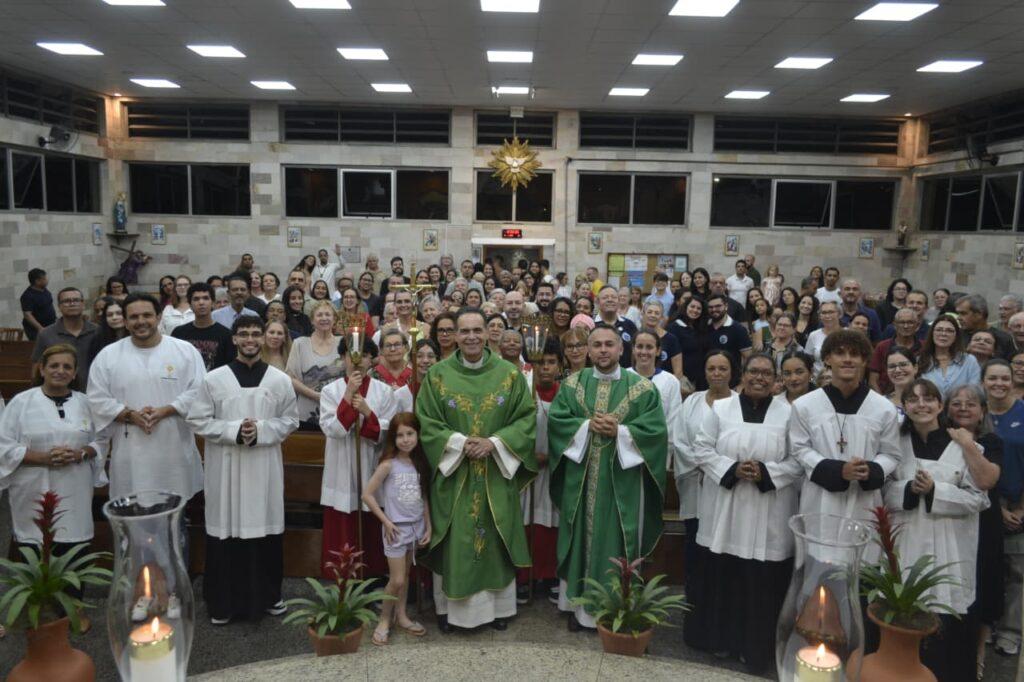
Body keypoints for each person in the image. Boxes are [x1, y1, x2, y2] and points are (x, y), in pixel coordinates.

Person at [415, 308, 536, 632]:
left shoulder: (509, 375)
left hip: (494, 472)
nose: (471, 337)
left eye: (477, 330)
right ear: (454, 335)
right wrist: (458, 442)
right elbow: (426, 421)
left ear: (488, 333)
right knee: (456, 539)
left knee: (493, 539)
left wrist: (494, 443)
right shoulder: (437, 375)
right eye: (464, 331)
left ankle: (498, 611)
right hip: (455, 475)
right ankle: (449, 613)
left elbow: (525, 418)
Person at [548, 325, 667, 630]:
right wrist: (587, 426)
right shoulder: (572, 385)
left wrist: (622, 431)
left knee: (617, 539)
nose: (603, 350)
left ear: (620, 349)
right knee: (580, 539)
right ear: (587, 350)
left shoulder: (641, 388)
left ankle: (616, 609)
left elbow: (655, 433)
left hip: (622, 483)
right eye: (597, 345)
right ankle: (577, 608)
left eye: (609, 344)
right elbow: (558, 423)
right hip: (582, 479)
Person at [689, 354, 800, 672]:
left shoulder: (789, 414)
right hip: (727, 510)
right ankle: (721, 642)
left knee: (760, 585)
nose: (759, 378)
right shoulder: (721, 408)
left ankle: (755, 650)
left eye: (767, 373)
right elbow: (701, 447)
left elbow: (798, 459)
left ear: (776, 379)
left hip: (768, 513)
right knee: (726, 578)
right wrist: (732, 468)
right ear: (744, 374)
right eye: (754, 371)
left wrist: (766, 473)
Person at [186, 317, 299, 625]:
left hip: (264, 469)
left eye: (255, 334)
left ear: (263, 338)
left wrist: (259, 430)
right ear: (234, 339)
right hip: (226, 469)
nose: (250, 339)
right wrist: (235, 430)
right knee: (226, 530)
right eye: (243, 334)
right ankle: (223, 603)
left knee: (266, 529)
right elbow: (197, 419)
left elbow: (290, 420)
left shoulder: (278, 380)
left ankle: (269, 597)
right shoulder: (214, 379)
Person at [885, 379, 989, 681]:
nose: (921, 405)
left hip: (950, 547)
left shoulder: (965, 446)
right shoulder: (894, 445)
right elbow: (883, 491)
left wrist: (934, 491)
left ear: (940, 405)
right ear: (904, 407)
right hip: (907, 541)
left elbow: (977, 499)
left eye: (928, 399)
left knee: (945, 621)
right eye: (913, 399)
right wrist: (908, 489)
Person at [0, 345, 107, 629]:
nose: (60, 371)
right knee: (36, 542)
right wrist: (42, 457)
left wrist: (81, 453)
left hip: (74, 483)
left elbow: (102, 441)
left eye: (67, 367)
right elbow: (3, 445)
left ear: (74, 373)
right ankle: (40, 608)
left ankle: (75, 608)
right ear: (42, 369)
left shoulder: (86, 403)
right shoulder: (22, 403)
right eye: (54, 366)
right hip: (32, 485)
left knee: (75, 544)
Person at [790, 330, 903, 558]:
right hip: (820, 500)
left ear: (864, 360)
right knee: (820, 567)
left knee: (860, 569)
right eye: (840, 353)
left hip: (864, 501)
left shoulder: (883, 408)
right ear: (827, 359)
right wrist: (837, 470)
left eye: (855, 354)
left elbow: (891, 454)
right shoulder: (805, 405)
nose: (848, 359)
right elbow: (799, 449)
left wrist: (871, 469)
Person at [87, 293, 206, 507]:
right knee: (134, 520)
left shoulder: (185, 351)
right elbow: (96, 398)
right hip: (130, 451)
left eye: (147, 315)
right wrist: (130, 415)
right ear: (124, 321)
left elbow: (200, 391)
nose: (141, 321)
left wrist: (167, 410)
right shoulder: (108, 355)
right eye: (133, 317)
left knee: (175, 517)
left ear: (159, 316)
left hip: (173, 450)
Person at [319, 335, 396, 578]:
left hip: (370, 464)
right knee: (343, 522)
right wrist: (348, 395)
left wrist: (366, 412)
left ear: (372, 359)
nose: (357, 360)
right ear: (342, 358)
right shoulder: (330, 390)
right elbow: (332, 428)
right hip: (341, 465)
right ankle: (341, 580)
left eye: (363, 354)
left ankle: (371, 577)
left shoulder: (384, 392)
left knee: (371, 522)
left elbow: (387, 431)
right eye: (351, 354)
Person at [945, 384, 1004, 679]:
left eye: (971, 404)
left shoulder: (991, 441)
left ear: (982, 411)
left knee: (983, 586)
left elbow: (985, 480)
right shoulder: (939, 439)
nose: (964, 408)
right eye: (957, 403)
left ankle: (978, 654)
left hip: (985, 522)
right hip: (951, 521)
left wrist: (967, 443)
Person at [676, 350, 736, 644]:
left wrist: (715, 468)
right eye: (711, 368)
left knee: (720, 554)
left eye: (722, 368)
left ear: (731, 372)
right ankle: (694, 613)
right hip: (695, 485)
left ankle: (721, 615)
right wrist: (701, 464)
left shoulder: (740, 404)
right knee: (694, 551)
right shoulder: (692, 402)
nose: (716, 373)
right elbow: (679, 439)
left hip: (726, 487)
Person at [361, 413, 431, 645]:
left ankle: (401, 616)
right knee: (397, 579)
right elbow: (367, 495)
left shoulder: (420, 464)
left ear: (418, 435)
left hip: (416, 528)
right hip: (395, 530)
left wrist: (428, 526)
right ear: (393, 438)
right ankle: (384, 619)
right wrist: (386, 521)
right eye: (400, 435)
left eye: (410, 434)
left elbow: (424, 498)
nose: (406, 439)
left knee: (407, 575)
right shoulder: (388, 465)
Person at [516, 339, 563, 605]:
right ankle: (525, 577)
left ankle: (550, 575)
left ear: (559, 366)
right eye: (540, 362)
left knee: (551, 523)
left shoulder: (566, 394)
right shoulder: (524, 393)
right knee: (526, 522)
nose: (545, 368)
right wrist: (527, 454)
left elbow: (573, 430)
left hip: (554, 469)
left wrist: (551, 456)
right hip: (526, 470)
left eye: (551, 362)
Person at [983, 359, 1024, 657]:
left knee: (1016, 570)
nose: (999, 384)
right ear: (983, 380)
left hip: (1017, 502)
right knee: (987, 565)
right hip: (986, 503)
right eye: (992, 378)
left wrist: (1021, 509)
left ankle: (1010, 630)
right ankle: (986, 623)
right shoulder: (977, 412)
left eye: (1004, 378)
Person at [286, 300, 343, 429]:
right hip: (307, 411)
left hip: (338, 410)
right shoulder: (299, 343)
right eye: (319, 315)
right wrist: (317, 396)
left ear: (334, 319)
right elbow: (291, 378)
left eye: (328, 315)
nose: (324, 318)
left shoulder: (344, 343)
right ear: (312, 320)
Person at [31, 287, 98, 387]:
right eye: (66, 301)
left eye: (76, 300)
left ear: (83, 304)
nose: (72, 304)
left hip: (94, 391)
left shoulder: (98, 331)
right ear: (59, 307)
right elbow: (37, 367)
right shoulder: (46, 334)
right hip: (59, 393)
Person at [172, 283, 235, 371]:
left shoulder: (226, 334)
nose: (201, 302)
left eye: (205, 298)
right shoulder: (179, 333)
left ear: (213, 303)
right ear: (190, 304)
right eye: (196, 299)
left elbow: (230, 367)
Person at [918, 314, 981, 399]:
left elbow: (975, 392)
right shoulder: (920, 360)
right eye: (939, 330)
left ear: (956, 336)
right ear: (932, 334)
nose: (943, 334)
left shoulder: (969, 361)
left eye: (949, 331)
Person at [868, 308, 923, 394]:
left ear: (917, 326)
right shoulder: (882, 347)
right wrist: (882, 400)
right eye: (902, 322)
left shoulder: (924, 347)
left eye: (910, 322)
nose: (905, 326)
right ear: (894, 325)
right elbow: (872, 380)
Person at [956, 294, 1016, 360]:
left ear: (979, 314)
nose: (958, 318)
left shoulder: (1004, 339)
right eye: (958, 313)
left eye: (963, 313)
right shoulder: (956, 335)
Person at [703, 294, 752, 369]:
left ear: (726, 306)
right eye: (710, 307)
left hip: (732, 377)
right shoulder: (704, 327)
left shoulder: (738, 329)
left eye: (718, 306)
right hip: (708, 376)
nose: (714, 309)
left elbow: (748, 357)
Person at [667, 296, 707, 391]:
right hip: (682, 380)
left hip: (699, 378)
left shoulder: (698, 327)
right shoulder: (674, 327)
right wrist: (679, 377)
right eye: (692, 306)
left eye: (699, 308)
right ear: (685, 307)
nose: (695, 310)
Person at [639, 301, 683, 382]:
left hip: (664, 385)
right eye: (649, 312)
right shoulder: (637, 337)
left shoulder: (671, 339)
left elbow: (678, 372)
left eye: (657, 313)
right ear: (643, 315)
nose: (653, 315)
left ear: (662, 317)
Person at [394, 339, 439, 413]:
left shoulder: (444, 392)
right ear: (411, 361)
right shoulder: (400, 395)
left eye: (430, 356)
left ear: (438, 360)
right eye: (419, 356)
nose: (425, 361)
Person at [87, 297, 128, 365]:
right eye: (109, 315)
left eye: (119, 313)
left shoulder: (136, 337)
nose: (114, 318)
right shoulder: (98, 339)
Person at [20, 268, 57, 341]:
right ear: (37, 281)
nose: (47, 280)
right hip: (36, 329)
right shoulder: (28, 296)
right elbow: (27, 315)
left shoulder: (44, 290)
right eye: (44, 279)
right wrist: (40, 328)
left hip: (50, 325)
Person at [805, 300, 841, 374]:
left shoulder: (848, 334)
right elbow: (808, 360)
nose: (827, 316)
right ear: (820, 316)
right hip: (818, 380)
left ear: (839, 314)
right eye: (824, 313)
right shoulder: (813, 335)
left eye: (831, 312)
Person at [884, 346, 918, 416]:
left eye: (903, 364)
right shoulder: (881, 403)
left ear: (915, 368)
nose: (897, 370)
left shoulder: (928, 400)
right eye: (892, 366)